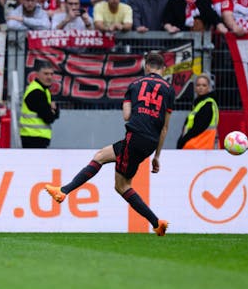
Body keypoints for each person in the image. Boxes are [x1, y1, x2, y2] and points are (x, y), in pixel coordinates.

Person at [45, 52, 174, 237]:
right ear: (163, 69)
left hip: (134, 136)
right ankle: (63, 190)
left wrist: (130, 102)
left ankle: (156, 223)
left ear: (146, 66)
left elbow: (127, 116)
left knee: (122, 186)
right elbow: (165, 127)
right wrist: (157, 156)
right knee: (101, 156)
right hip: (150, 142)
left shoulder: (135, 85)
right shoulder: (169, 89)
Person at [19, 62, 59, 148]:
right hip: (33, 137)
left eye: (51, 74)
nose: (49, 77)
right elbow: (49, 117)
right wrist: (51, 110)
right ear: (37, 74)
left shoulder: (44, 90)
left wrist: (52, 111)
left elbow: (55, 113)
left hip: (37, 136)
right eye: (46, 74)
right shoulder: (36, 92)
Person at [177, 73, 219, 149]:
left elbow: (198, 128)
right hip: (197, 146)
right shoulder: (199, 103)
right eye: (198, 85)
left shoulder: (208, 104)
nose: (200, 88)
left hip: (199, 147)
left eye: (204, 85)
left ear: (209, 88)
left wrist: (183, 141)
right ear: (195, 88)